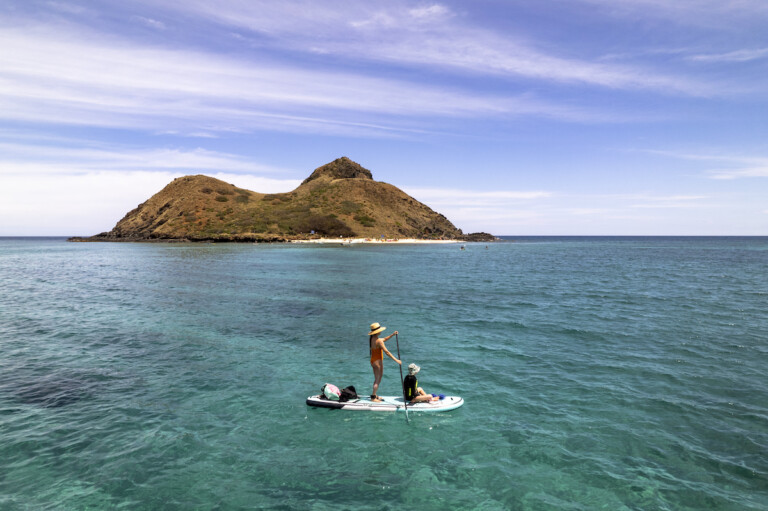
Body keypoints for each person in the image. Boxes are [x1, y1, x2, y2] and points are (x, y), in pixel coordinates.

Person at [368, 322, 401, 402]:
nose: (381, 331)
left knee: (377, 378)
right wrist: (396, 360)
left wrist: (393, 334)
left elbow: (384, 339)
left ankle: (375, 395)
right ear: (377, 332)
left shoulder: (373, 339)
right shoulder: (379, 341)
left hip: (373, 360)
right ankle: (373, 397)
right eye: (379, 330)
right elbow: (387, 352)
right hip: (377, 362)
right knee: (377, 379)